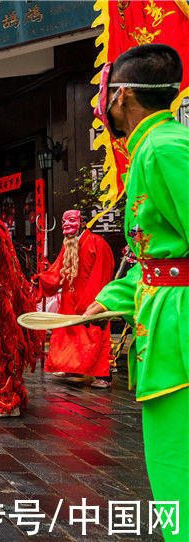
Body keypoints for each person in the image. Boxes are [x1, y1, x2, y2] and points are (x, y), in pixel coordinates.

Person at [82, 44, 188, 540]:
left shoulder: (164, 148)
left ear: (121, 96)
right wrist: (112, 299)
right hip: (162, 319)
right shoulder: (150, 147)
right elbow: (156, 256)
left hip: (179, 328)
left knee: (175, 462)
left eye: (102, 94)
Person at [32, 210, 115, 388]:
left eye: (71, 220)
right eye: (63, 221)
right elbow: (57, 270)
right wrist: (42, 279)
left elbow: (101, 275)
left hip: (91, 298)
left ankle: (103, 376)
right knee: (68, 334)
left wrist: (92, 302)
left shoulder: (97, 243)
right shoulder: (68, 244)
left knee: (95, 334)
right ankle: (70, 367)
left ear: (83, 223)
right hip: (70, 298)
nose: (66, 225)